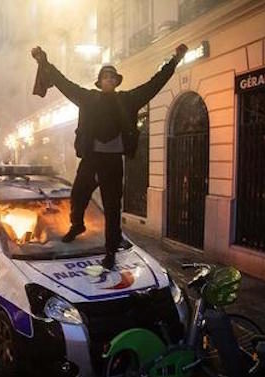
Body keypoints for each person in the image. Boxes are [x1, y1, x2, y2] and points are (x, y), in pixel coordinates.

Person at [31, 43, 187, 269]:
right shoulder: (88, 97)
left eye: (113, 78)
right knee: (78, 194)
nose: (109, 81)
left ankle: (111, 250)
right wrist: (43, 61)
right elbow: (64, 83)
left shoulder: (127, 100)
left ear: (116, 82)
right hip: (92, 158)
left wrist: (175, 60)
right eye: (105, 77)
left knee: (112, 208)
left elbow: (154, 84)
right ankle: (77, 225)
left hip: (113, 162)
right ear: (99, 81)